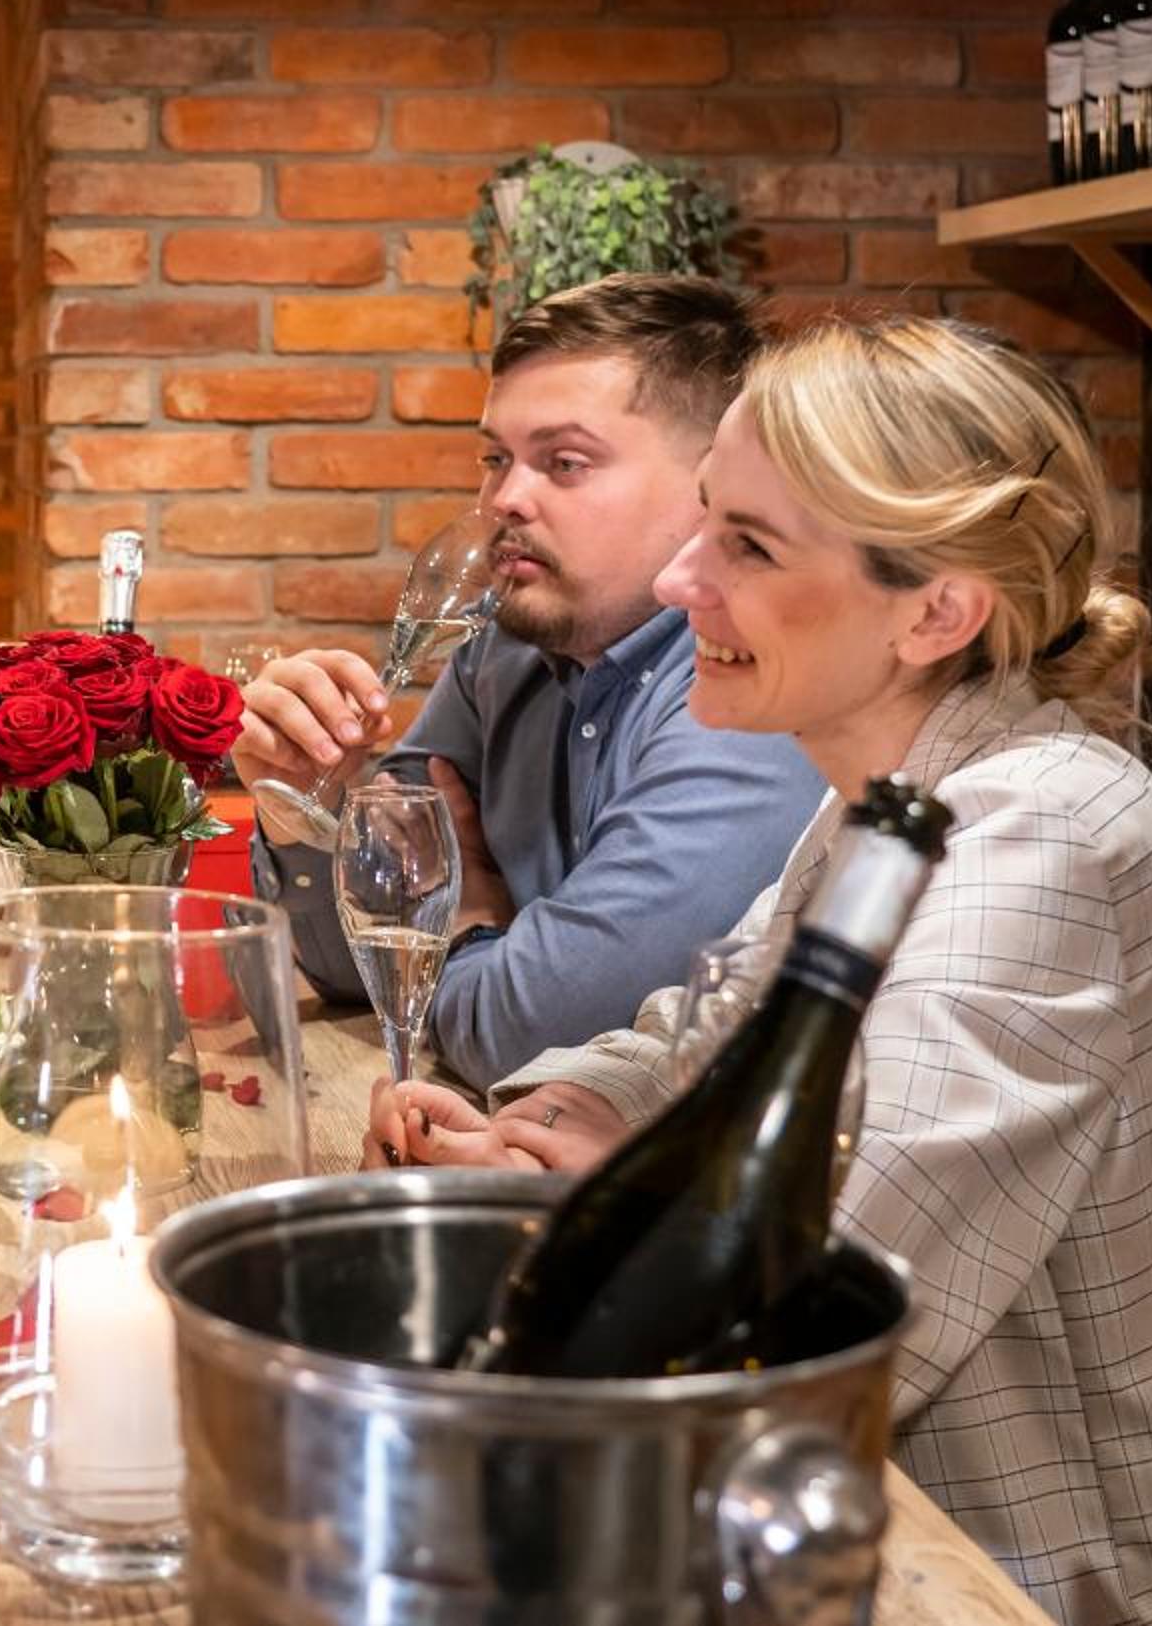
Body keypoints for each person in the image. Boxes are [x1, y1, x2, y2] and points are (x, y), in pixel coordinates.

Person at [369, 314, 1152, 1626]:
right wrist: (554, 1115)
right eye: (705, 521)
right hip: (863, 1525)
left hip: (1055, 1582)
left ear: (937, 610)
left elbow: (791, 1307)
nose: (681, 582)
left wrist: (581, 1195)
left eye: (749, 545)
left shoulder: (1044, 836)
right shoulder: (887, 796)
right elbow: (702, 1031)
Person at [231, 273, 824, 1090]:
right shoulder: (501, 647)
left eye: (565, 462)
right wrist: (307, 806)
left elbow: (535, 1033)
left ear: (714, 486)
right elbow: (350, 968)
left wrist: (468, 921)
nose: (504, 498)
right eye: (496, 458)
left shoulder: (748, 685)